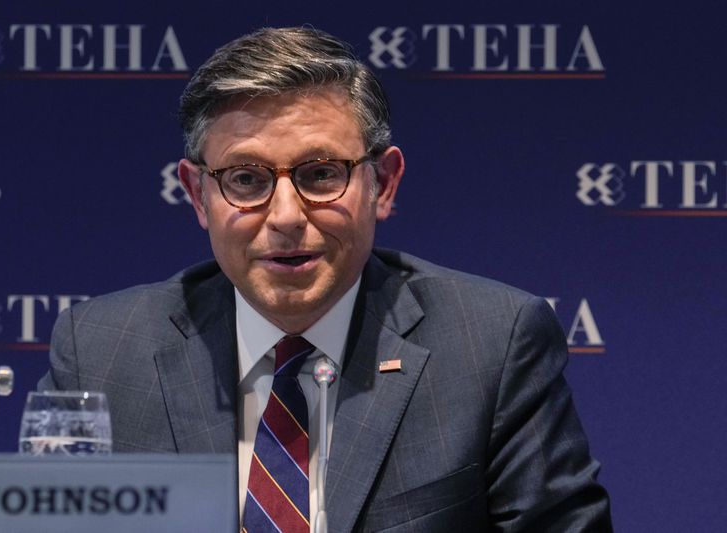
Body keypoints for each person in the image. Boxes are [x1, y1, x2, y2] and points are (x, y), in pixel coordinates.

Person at [39, 27, 612, 532]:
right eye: (245, 178)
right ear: (198, 195)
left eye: (320, 174)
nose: (286, 216)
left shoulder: (491, 346)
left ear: (382, 184)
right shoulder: (101, 352)